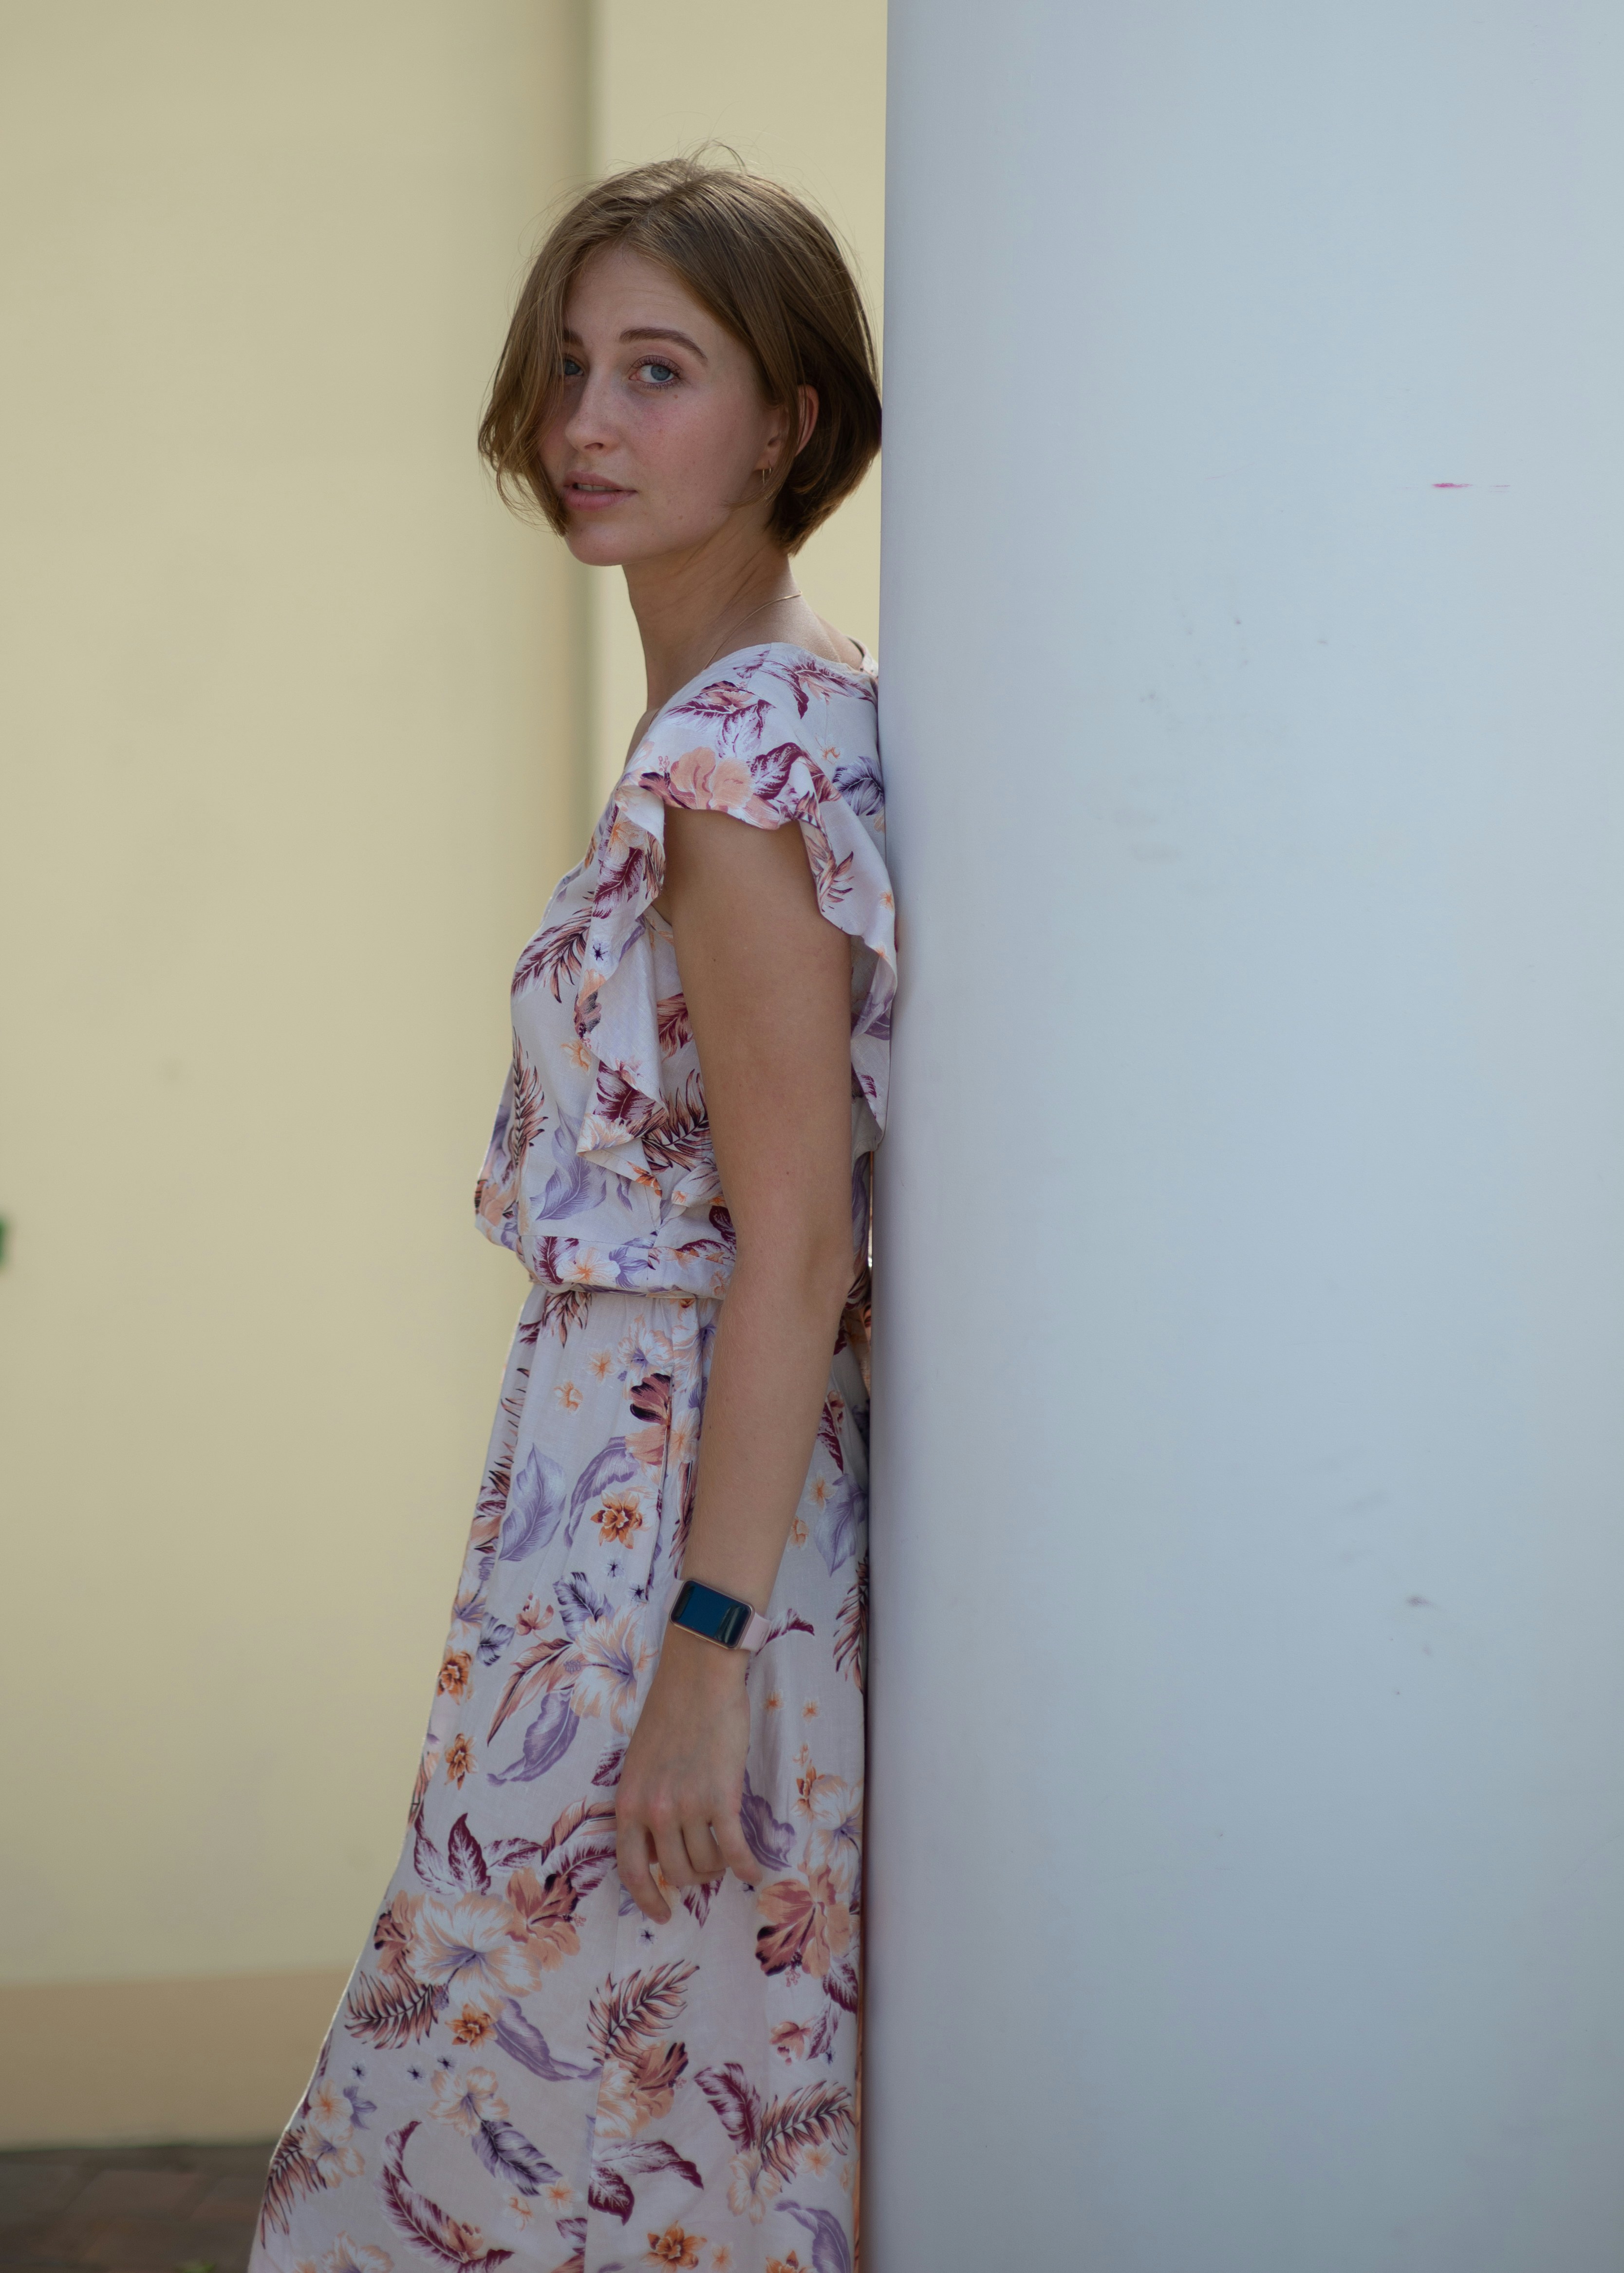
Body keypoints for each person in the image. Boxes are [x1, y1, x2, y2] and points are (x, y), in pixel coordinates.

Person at [251, 158, 892, 2273]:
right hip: (616, 1527)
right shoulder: (754, 722)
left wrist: (700, 1658)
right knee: (571, 2116)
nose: (587, 425)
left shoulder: (741, 772)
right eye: (568, 368)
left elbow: (798, 1241)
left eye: (659, 373)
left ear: (787, 422)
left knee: (537, 2112)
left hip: (669, 1566)